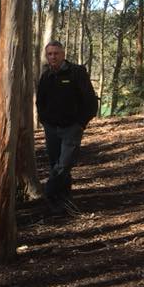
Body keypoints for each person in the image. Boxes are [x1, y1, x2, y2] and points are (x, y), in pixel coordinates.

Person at [35, 40, 97, 215]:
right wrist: (45, 121)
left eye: (56, 53)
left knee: (64, 164)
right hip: (51, 128)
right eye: (50, 54)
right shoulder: (46, 76)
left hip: (71, 128)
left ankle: (48, 192)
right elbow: (40, 101)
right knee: (56, 164)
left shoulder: (76, 73)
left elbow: (90, 102)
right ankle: (62, 201)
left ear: (63, 54)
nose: (53, 57)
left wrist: (80, 124)